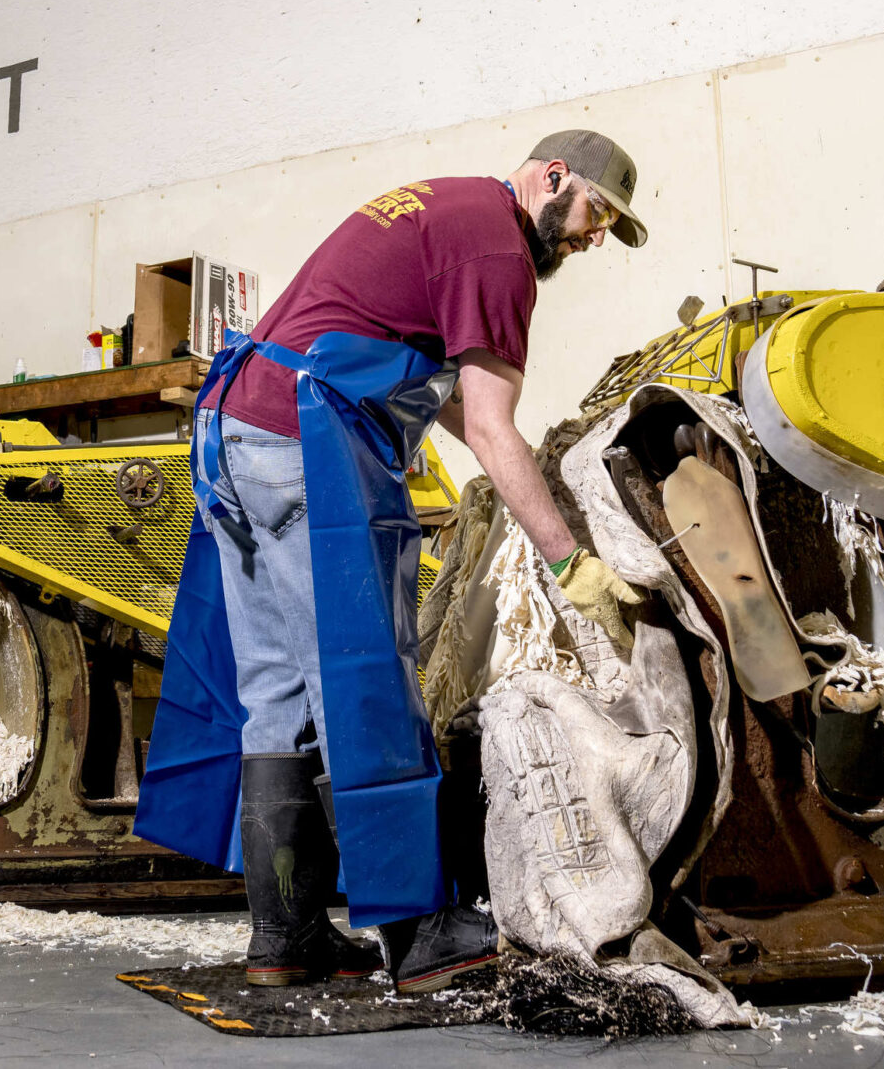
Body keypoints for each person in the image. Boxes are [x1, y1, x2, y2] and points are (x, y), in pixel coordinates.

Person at [135, 131, 651, 994]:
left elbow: (444, 398)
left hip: (236, 434)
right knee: (365, 680)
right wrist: (571, 562)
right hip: (304, 441)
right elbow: (489, 423)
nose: (593, 235)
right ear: (553, 178)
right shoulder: (500, 249)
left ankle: (285, 935)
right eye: (596, 212)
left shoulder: (448, 208)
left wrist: (514, 454)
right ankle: (422, 934)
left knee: (275, 697)